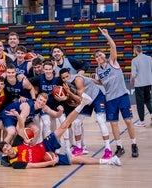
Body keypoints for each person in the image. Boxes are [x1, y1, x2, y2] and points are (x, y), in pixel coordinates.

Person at [0, 93, 122, 169]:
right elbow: (33, 166)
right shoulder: (15, 163)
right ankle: (109, 161)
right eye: (5, 150)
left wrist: (60, 112)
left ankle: (82, 104)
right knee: (76, 160)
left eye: (7, 146)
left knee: (63, 126)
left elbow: (20, 128)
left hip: (44, 145)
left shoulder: (15, 146)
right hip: (47, 157)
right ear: (5, 153)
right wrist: (51, 162)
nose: (8, 149)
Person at [94, 27, 139, 158]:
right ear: (96, 59)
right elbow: (102, 83)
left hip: (122, 96)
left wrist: (106, 35)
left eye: (100, 54)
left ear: (104, 55)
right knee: (114, 124)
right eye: (96, 56)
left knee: (128, 121)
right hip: (110, 99)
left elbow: (113, 47)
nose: (99, 57)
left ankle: (134, 144)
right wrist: (94, 82)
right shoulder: (98, 71)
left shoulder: (112, 62)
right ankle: (119, 146)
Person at [60, 68, 112, 159]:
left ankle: (108, 149)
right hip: (85, 99)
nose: (65, 79)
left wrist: (69, 93)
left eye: (67, 77)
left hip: (96, 97)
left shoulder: (78, 80)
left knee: (100, 121)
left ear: (70, 74)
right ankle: (79, 148)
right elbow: (80, 100)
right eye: (63, 78)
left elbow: (80, 98)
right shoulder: (65, 84)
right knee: (76, 122)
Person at [130, 45, 152, 127]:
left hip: (139, 84)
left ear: (135, 51)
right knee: (148, 100)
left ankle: (142, 121)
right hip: (149, 82)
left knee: (140, 103)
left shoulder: (135, 60)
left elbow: (134, 73)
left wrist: (132, 79)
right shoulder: (149, 58)